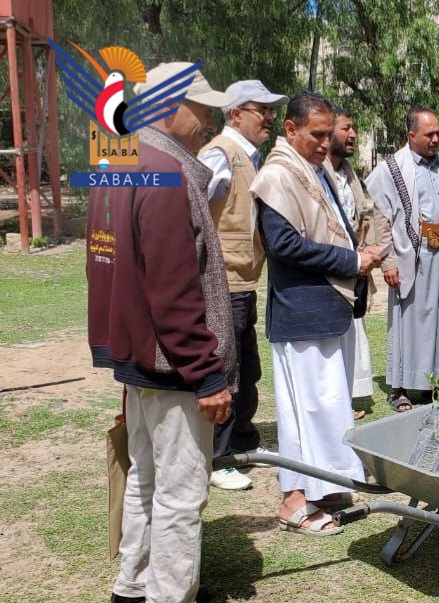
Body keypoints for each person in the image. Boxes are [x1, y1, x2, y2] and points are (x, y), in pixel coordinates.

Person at [87, 62, 235, 603]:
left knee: (147, 479)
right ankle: (170, 595)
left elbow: (103, 267)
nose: (209, 123)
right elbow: (174, 289)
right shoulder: (167, 176)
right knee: (180, 492)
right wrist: (206, 374)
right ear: (170, 109)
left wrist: (116, 347)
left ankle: (133, 587)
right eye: (202, 111)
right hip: (171, 364)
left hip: (138, 357)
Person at [250, 90, 384, 535]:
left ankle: (326, 488)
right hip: (302, 312)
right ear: (291, 130)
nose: (326, 144)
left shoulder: (311, 167)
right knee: (303, 411)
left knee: (329, 406)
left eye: (330, 134)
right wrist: (351, 262)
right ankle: (294, 502)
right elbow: (283, 245)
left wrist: (359, 253)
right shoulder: (276, 175)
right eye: (318, 134)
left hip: (328, 309)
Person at [198, 80, 288, 490]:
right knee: (226, 369)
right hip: (224, 284)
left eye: (271, 110)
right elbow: (194, 205)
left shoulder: (247, 157)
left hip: (243, 284)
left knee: (247, 368)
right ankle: (217, 460)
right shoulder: (219, 154)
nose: (269, 117)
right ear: (235, 114)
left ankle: (244, 442)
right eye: (260, 110)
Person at [365, 107, 439, 412]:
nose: (435, 139)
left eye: (438, 133)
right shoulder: (392, 168)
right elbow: (381, 216)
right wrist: (388, 261)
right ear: (411, 136)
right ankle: (400, 387)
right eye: (428, 134)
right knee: (407, 321)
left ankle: (436, 383)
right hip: (410, 255)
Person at [325, 104, 378, 416]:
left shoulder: (349, 175)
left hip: (354, 272)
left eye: (353, 128)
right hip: (328, 274)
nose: (353, 135)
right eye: (345, 128)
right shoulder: (317, 175)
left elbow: (361, 219)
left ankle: (344, 402)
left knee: (351, 339)